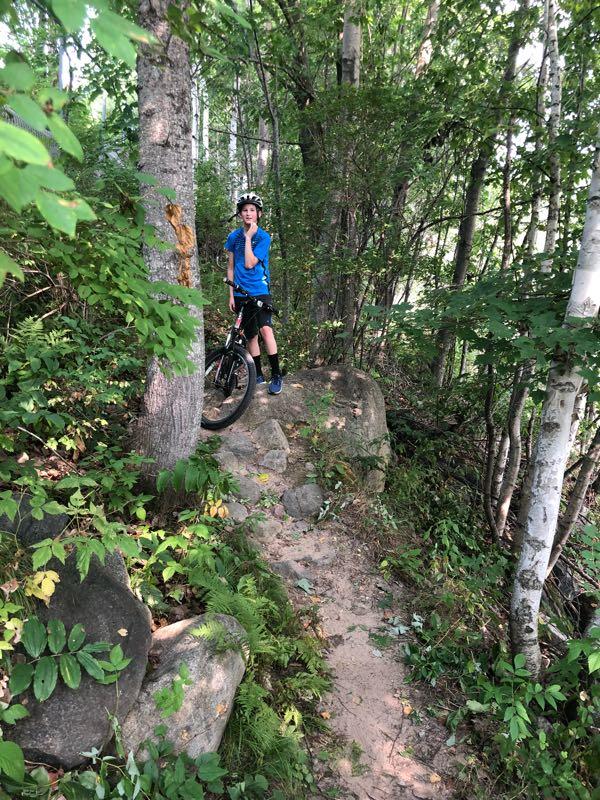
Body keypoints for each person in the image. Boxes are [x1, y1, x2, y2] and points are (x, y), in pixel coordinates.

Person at [225, 192, 283, 395]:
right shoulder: (233, 237)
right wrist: (231, 295)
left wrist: (248, 237)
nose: (248, 214)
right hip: (240, 293)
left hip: (259, 291)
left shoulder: (263, 237)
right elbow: (231, 266)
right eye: (244, 210)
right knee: (250, 336)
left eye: (252, 210)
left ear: (258, 214)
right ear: (240, 214)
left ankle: (276, 374)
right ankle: (258, 374)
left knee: (266, 331)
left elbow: (250, 263)